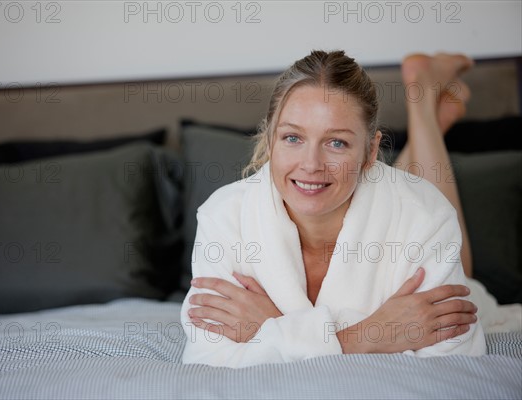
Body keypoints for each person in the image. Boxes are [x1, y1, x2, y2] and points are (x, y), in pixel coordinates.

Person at [180, 50, 516, 368]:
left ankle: (424, 101)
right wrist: (368, 336)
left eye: (336, 142)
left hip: (421, 226)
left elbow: (453, 356)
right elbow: (208, 358)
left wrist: (271, 328)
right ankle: (428, 108)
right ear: (270, 140)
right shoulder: (224, 217)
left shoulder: (425, 217)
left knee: (443, 238)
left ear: (371, 152)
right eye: (292, 138)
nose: (310, 165)